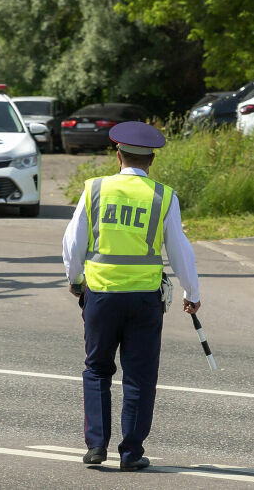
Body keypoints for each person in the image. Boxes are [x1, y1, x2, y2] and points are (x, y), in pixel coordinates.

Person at [62, 121, 201, 472]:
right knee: (139, 376)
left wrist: (75, 279)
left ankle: (96, 447)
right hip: (143, 300)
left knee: (97, 370)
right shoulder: (164, 196)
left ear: (118, 155)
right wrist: (192, 292)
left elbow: (72, 243)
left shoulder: (94, 189)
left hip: (102, 295)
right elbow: (180, 250)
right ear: (151, 160)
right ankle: (131, 453)